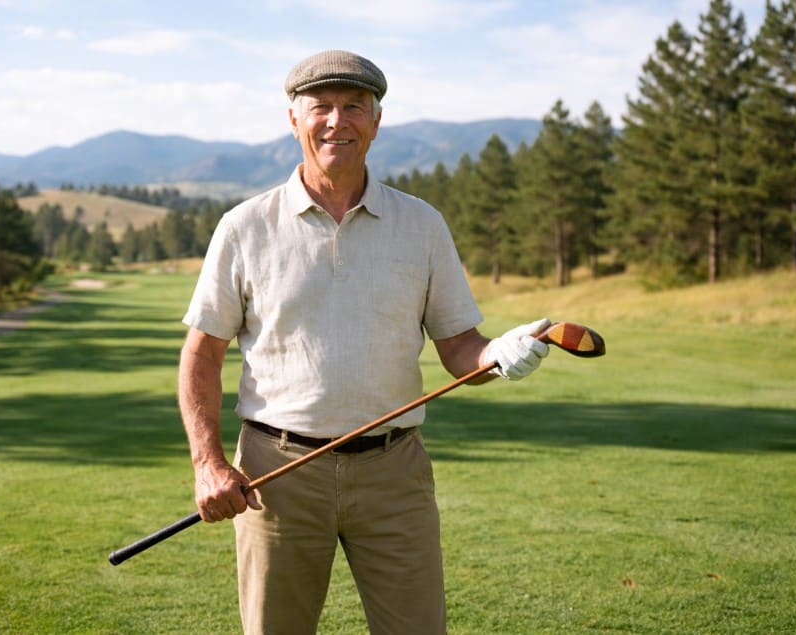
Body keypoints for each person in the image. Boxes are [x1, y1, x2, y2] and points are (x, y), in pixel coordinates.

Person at [178, 49, 550, 635]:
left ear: (376, 122)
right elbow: (202, 353)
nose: (336, 120)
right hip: (278, 475)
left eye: (354, 106)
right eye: (320, 106)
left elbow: (459, 348)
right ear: (293, 120)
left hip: (393, 472)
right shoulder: (244, 227)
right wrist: (208, 464)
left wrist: (497, 356)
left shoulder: (422, 224)